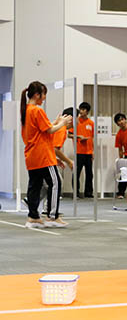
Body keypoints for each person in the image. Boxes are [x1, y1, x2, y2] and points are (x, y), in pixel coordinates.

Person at [20, 81, 71, 228]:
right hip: (43, 155)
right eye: (43, 95)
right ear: (37, 95)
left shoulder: (26, 110)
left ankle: (33, 217)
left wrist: (57, 121)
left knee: (34, 185)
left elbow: (44, 127)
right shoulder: (36, 110)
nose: (44, 99)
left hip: (31, 155)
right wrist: (63, 123)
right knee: (56, 183)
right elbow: (49, 130)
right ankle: (52, 216)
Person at [69, 102, 94, 198]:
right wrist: (79, 136)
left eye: (83, 109)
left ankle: (88, 192)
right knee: (76, 173)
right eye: (80, 109)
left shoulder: (91, 123)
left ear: (87, 111)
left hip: (88, 152)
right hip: (78, 152)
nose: (81, 111)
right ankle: (76, 192)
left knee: (89, 174)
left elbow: (92, 138)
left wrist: (93, 151)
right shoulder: (75, 122)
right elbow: (69, 134)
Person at [114, 113, 127, 199]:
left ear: (125, 119)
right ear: (117, 124)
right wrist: (121, 159)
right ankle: (120, 192)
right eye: (118, 121)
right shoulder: (119, 134)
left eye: (122, 119)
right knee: (124, 173)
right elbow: (120, 149)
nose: (121, 122)